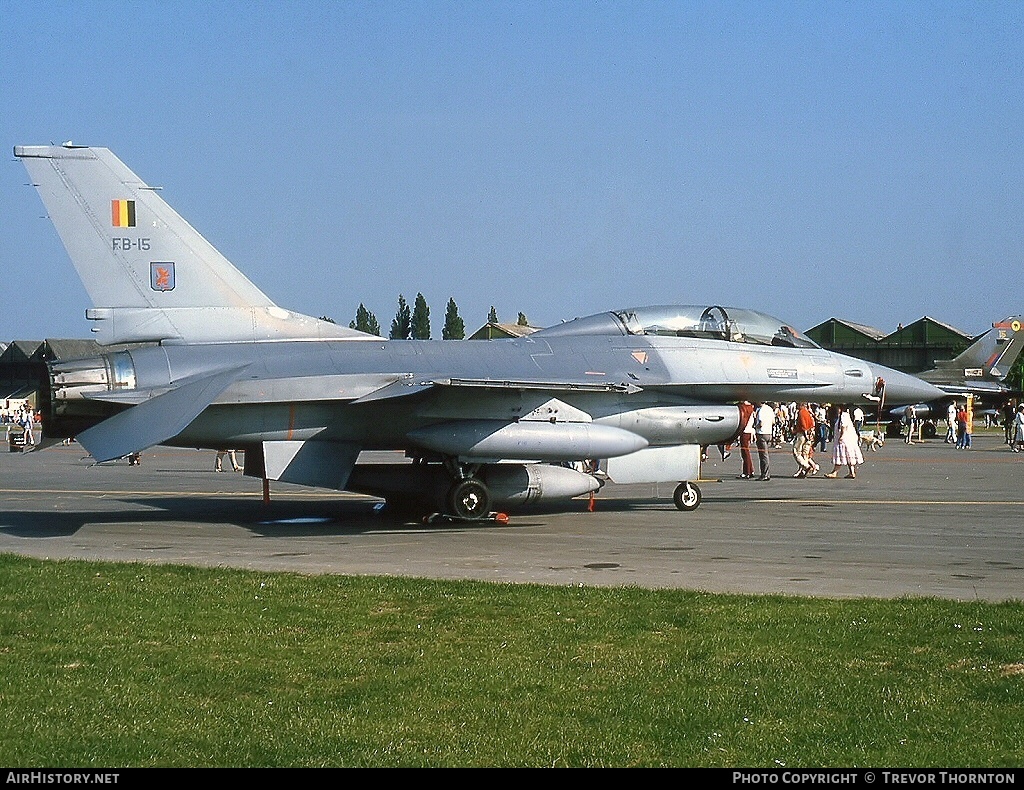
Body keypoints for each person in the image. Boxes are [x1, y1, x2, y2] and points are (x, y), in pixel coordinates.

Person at [824, 404, 864, 478]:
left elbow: (843, 426)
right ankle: (852, 472)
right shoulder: (845, 415)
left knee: (841, 454)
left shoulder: (844, 415)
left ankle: (834, 472)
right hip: (849, 439)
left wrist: (841, 436)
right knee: (848, 455)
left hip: (845, 439)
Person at [792, 402, 820, 478]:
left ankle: (806, 467)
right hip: (809, 434)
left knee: (796, 451)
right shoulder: (807, 412)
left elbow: (803, 425)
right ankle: (803, 472)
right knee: (805, 454)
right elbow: (811, 424)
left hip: (802, 434)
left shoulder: (801, 412)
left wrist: (805, 434)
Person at [754, 401, 776, 480]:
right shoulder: (769, 409)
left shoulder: (761, 410)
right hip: (769, 433)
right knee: (765, 454)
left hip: (762, 433)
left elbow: (761, 423)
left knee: (763, 455)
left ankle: (764, 474)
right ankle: (766, 473)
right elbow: (773, 422)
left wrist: (755, 427)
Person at [737, 400, 755, 479]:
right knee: (746, 452)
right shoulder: (751, 408)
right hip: (749, 431)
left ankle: (747, 471)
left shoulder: (745, 408)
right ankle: (750, 470)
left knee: (745, 452)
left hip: (745, 431)